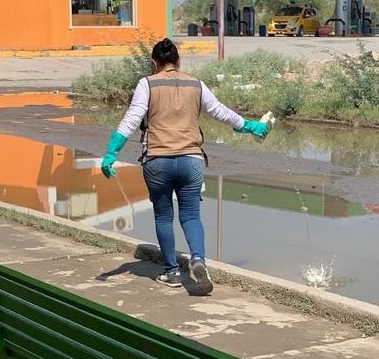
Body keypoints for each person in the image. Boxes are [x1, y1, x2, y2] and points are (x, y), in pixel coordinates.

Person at [101, 38, 270, 295]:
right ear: (178, 61)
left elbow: (131, 121)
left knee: (163, 216)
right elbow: (221, 112)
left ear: (154, 63)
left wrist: (111, 154)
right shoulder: (196, 83)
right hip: (191, 160)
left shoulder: (147, 83)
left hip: (158, 161)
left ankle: (171, 272)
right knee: (191, 216)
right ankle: (198, 260)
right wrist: (250, 126)